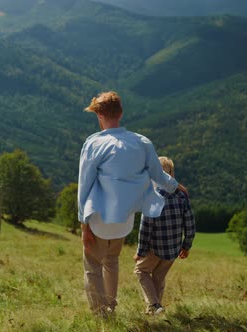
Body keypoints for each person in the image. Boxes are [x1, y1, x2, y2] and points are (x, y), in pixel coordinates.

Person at [78, 91, 187, 317]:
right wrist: (176, 185)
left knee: (93, 265)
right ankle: (111, 305)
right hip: (124, 220)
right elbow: (159, 174)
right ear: (121, 113)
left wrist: (83, 224)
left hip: (99, 218)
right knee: (112, 260)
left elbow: (84, 185)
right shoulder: (142, 142)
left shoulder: (94, 143)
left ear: (99, 115)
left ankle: (102, 313)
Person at [133, 156, 196, 315]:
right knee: (158, 279)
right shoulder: (182, 196)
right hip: (173, 250)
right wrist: (186, 246)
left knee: (141, 271)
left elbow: (145, 228)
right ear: (172, 175)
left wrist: (140, 252)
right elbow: (190, 223)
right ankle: (154, 313)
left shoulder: (152, 197)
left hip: (155, 248)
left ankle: (153, 304)